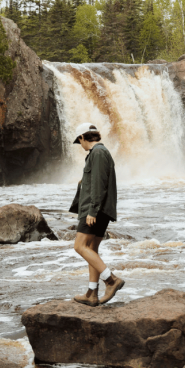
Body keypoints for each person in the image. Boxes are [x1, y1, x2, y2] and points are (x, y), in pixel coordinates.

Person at [69, 122, 125, 307]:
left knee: (80, 246)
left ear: (83, 137)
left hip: (96, 210)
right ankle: (92, 293)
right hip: (101, 209)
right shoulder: (99, 153)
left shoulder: (98, 153)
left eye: (80, 142)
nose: (81, 146)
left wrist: (92, 210)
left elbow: (99, 184)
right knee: (91, 249)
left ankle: (111, 281)